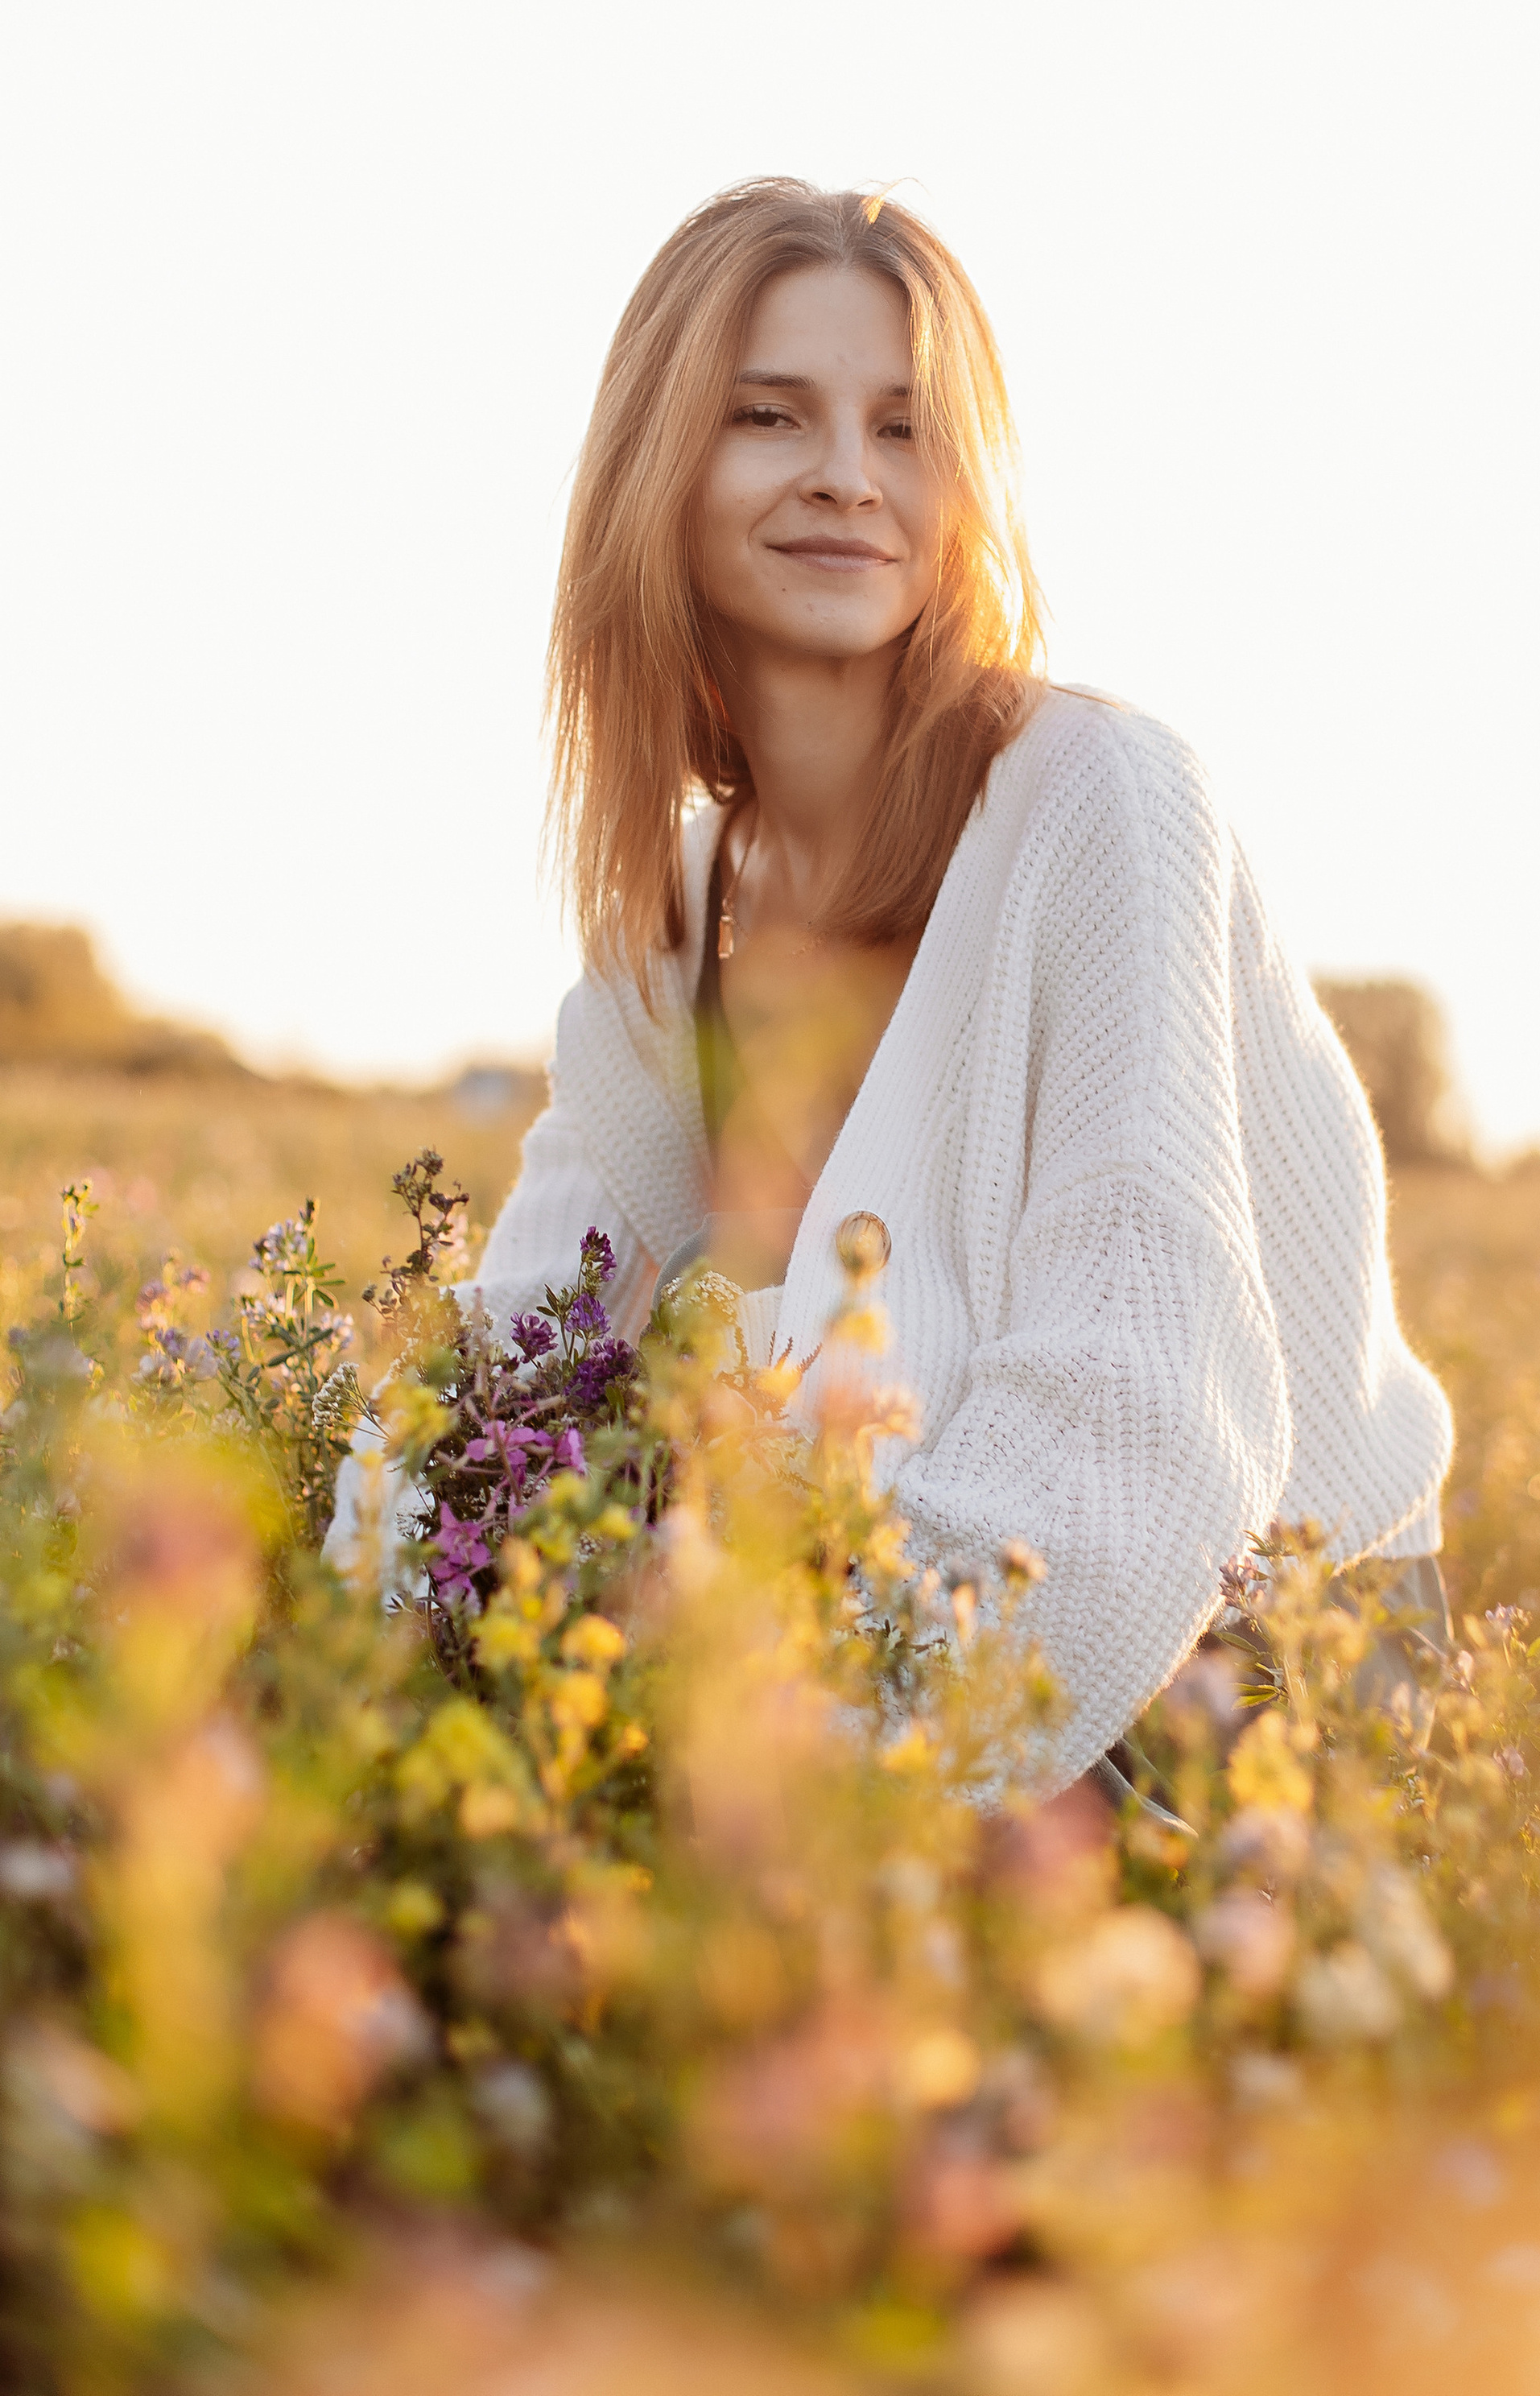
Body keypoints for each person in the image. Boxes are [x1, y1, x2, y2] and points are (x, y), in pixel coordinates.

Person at [469, 178, 1454, 1793]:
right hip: (889, 1635)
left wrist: (826, 1749)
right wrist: (400, 1601)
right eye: (770, 415)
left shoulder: (1099, 801)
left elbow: (1139, 1418)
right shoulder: (668, 919)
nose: (847, 478)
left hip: (1239, 1658)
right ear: (661, 466)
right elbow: (524, 1350)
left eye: (906, 428)